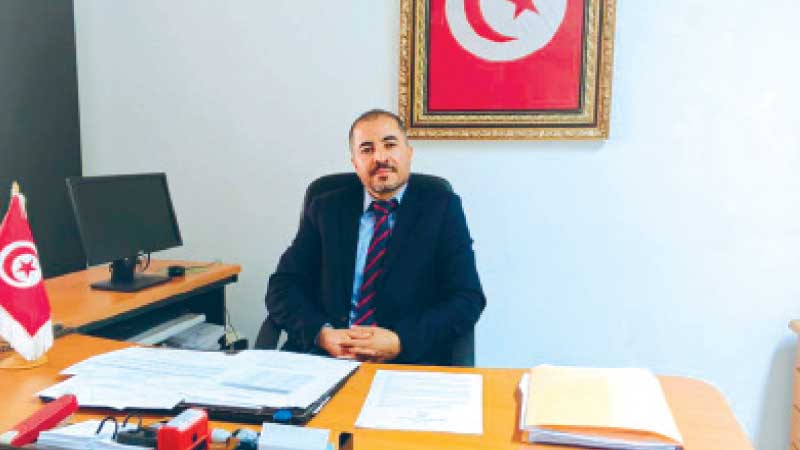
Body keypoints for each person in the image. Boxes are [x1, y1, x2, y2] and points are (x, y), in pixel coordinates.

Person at [265, 109, 485, 365]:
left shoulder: (442, 209)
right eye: (367, 149)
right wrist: (322, 334)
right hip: (326, 358)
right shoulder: (326, 208)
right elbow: (283, 287)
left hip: (405, 361)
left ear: (408, 153)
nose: (380, 157)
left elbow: (467, 298)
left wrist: (400, 340)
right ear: (355, 163)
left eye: (390, 145)